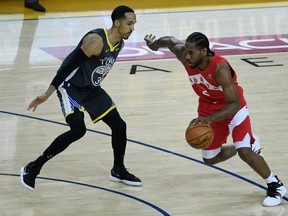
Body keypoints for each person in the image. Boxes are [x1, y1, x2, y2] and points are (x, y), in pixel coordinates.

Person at [144, 32, 286, 207]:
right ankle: (248, 142)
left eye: (192, 52)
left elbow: (234, 103)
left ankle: (275, 184)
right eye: (186, 52)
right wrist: (155, 45)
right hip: (208, 107)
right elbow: (170, 40)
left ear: (204, 51)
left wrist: (209, 120)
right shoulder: (185, 56)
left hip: (233, 108)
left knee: (245, 152)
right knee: (210, 159)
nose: (187, 56)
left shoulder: (220, 68)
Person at [20, 5, 142, 190]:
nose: (132, 28)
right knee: (78, 130)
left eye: (134, 24)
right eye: (129, 23)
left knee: (119, 126)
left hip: (92, 89)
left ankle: (118, 170)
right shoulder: (96, 40)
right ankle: (33, 167)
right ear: (117, 23)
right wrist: (48, 93)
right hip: (71, 88)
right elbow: (68, 65)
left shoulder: (120, 43)